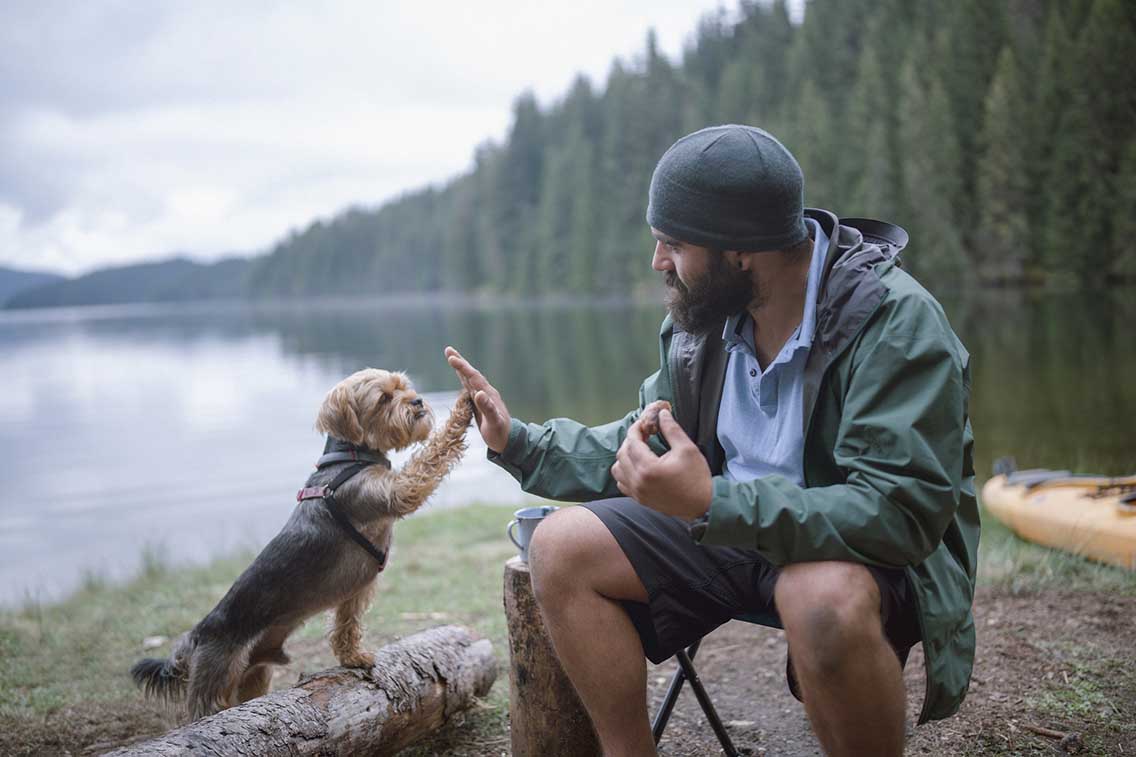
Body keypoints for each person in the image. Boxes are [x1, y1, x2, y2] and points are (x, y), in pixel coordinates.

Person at [445, 124, 978, 757]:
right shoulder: (705, 323)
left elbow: (898, 513)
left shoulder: (894, 323)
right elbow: (642, 437)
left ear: (740, 251)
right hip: (731, 529)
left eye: (672, 244)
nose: (658, 262)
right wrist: (521, 443)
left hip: (858, 552)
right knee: (560, 546)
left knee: (818, 597)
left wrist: (710, 503)